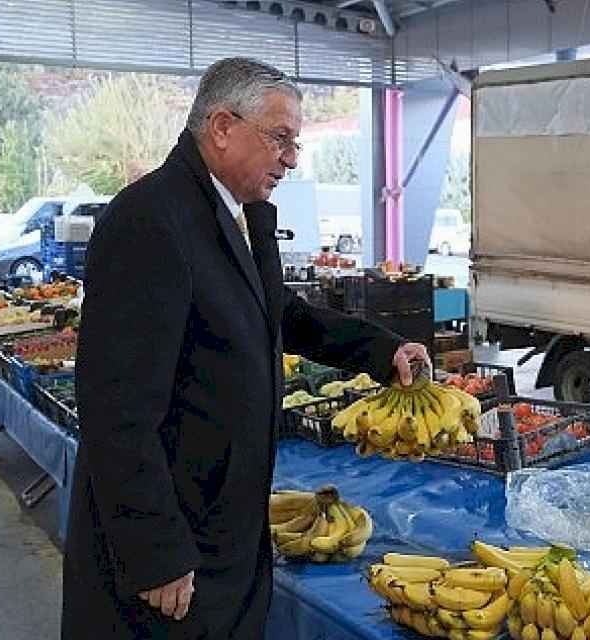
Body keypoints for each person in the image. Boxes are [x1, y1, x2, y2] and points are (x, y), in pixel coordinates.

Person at [61, 57, 430, 639]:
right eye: (280, 138)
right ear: (223, 127)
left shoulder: (235, 215)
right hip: (172, 547)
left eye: (295, 143)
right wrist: (156, 550)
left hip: (224, 522)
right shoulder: (150, 221)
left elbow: (279, 312)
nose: (291, 158)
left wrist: (378, 351)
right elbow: (117, 410)